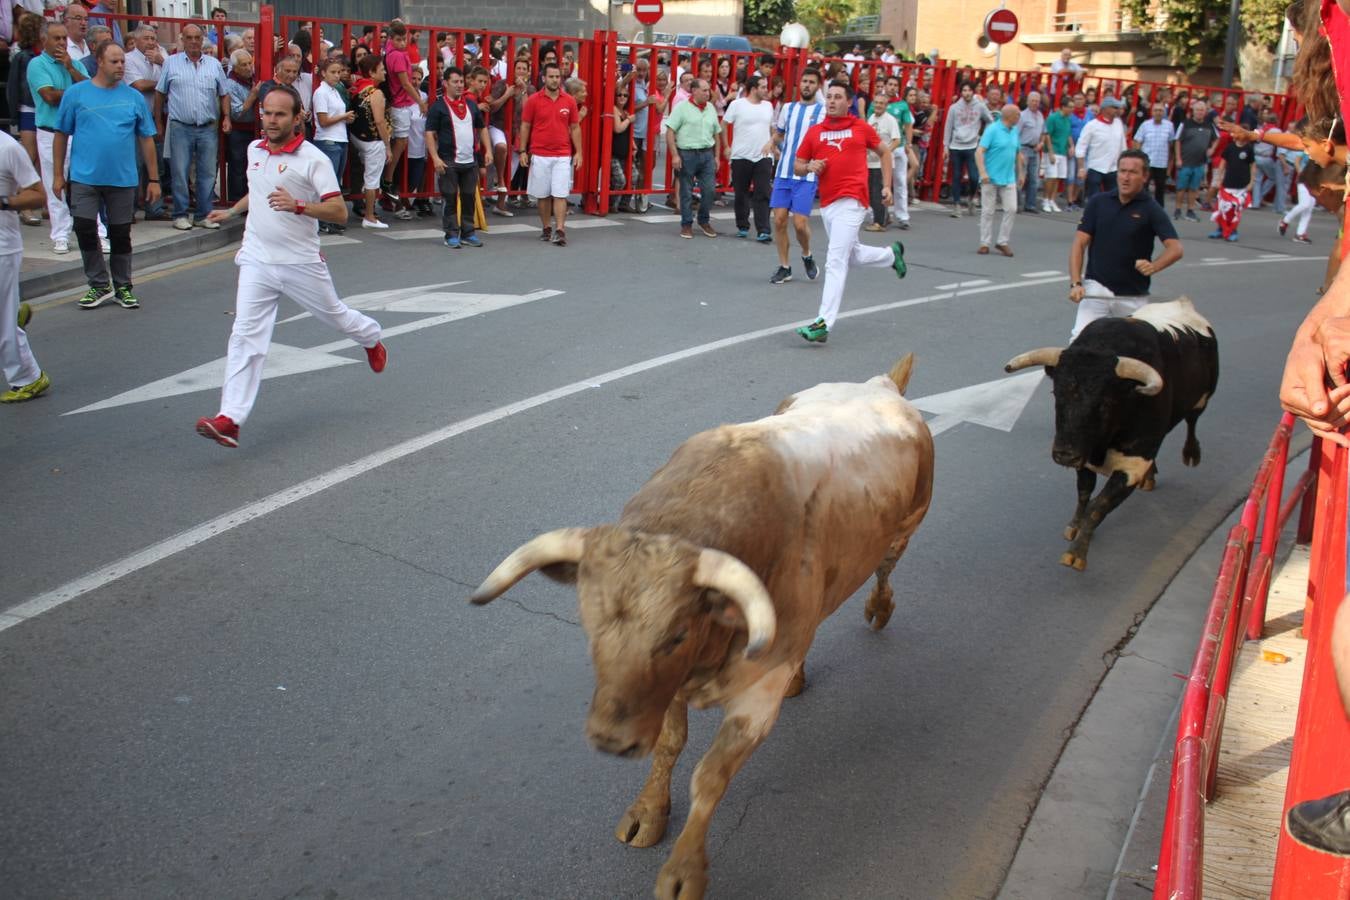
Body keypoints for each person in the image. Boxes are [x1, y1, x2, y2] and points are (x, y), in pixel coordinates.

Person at [195, 87, 385, 450]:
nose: (270, 120)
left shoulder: (313, 159)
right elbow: (260, 187)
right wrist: (233, 211)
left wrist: (299, 205)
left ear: (298, 117)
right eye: (267, 113)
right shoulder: (254, 150)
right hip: (257, 258)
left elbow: (339, 212)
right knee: (245, 335)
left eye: (280, 114)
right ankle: (230, 418)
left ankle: (370, 337)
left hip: (300, 262)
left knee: (336, 317)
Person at [792, 80, 906, 345]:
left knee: (835, 260)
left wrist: (887, 186)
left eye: (837, 97)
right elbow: (797, 165)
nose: (831, 101)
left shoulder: (860, 127)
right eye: (829, 97)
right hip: (830, 203)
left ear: (848, 102)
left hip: (854, 199)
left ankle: (823, 323)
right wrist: (810, 166)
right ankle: (891, 256)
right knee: (850, 254)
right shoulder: (815, 132)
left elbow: (885, 153)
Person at [52, 40, 158, 311]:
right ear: (98, 61)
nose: (121, 66)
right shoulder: (76, 94)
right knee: (85, 229)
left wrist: (154, 180)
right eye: (115, 61)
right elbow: (61, 135)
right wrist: (57, 175)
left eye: (122, 61)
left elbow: (146, 139)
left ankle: (123, 286)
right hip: (84, 178)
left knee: (120, 234)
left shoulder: (133, 97)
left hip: (122, 179)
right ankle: (99, 285)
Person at [1067, 149, 1183, 340]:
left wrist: (1154, 266)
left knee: (1137, 353)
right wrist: (1076, 283)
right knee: (1079, 341)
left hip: (1133, 295)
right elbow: (1079, 243)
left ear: (1144, 176)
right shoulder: (1098, 202)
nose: (1125, 177)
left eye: (1132, 172)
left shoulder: (1151, 208)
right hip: (1097, 287)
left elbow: (1176, 248)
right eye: (1122, 171)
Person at [154, 23, 230, 231]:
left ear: (203, 39)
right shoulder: (171, 63)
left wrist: (227, 118)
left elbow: (224, 93)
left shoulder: (213, 64)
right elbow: (160, 94)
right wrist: (159, 122)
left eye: (198, 37)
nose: (194, 41)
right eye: (190, 38)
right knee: (180, 171)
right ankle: (180, 214)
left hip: (207, 127)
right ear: (182, 39)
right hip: (181, 126)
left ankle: (203, 215)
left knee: (207, 173)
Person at [28, 19, 85, 254]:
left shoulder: (73, 63)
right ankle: (60, 234)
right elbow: (49, 96)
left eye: (64, 38)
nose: (62, 42)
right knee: (56, 184)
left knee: (85, 183)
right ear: (44, 40)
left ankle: (95, 232)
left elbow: (91, 88)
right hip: (50, 133)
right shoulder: (36, 64)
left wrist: (71, 68)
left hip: (78, 131)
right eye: (57, 38)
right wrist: (76, 93)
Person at [0, 130, 48, 403]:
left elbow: (37, 196)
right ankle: (12, 312)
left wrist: (4, 202)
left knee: (3, 327)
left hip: (3, 248)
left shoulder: (7, 148)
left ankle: (29, 377)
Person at [768, 66, 825, 285]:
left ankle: (807, 253)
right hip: (784, 172)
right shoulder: (788, 108)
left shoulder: (822, 111)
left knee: (800, 223)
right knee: (780, 220)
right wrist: (771, 142)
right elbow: (780, 133)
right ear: (799, 85)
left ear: (817, 86)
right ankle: (785, 267)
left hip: (807, 174)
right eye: (804, 82)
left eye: (811, 82)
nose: (807, 85)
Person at [426, 65, 490, 249]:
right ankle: (451, 234)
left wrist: (489, 151)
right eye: (455, 82)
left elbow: (482, 128)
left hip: (470, 161)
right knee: (450, 198)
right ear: (445, 83)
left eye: (462, 81)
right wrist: (436, 158)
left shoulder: (471, 105)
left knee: (469, 197)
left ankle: (468, 233)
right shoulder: (438, 107)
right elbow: (429, 133)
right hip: (448, 161)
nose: (459, 85)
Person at [519, 61, 581, 247]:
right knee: (543, 195)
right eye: (551, 77)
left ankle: (560, 230)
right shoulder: (533, 100)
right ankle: (547, 227)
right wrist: (523, 150)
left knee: (560, 193)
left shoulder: (569, 101)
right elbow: (525, 126)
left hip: (562, 154)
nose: (555, 80)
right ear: (544, 78)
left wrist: (579, 152)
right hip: (539, 154)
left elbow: (575, 127)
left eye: (557, 77)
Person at [663, 77, 723, 240]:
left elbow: (716, 133)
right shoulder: (682, 108)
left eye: (708, 90)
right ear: (694, 91)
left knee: (710, 190)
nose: (708, 93)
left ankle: (703, 220)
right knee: (686, 191)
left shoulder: (710, 108)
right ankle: (687, 224)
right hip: (687, 153)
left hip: (706, 153)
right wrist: (675, 155)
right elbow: (670, 131)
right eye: (704, 90)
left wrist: (717, 156)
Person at [723, 73, 775, 241]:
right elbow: (723, 124)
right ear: (753, 89)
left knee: (763, 192)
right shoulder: (737, 105)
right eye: (763, 87)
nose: (767, 90)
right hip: (740, 155)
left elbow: (772, 128)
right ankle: (743, 225)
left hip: (764, 156)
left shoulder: (768, 106)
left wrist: (773, 144)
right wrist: (726, 146)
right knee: (741, 193)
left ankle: (764, 229)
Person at [382, 21, 424, 208]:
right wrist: (420, 101)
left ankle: (389, 178)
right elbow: (406, 84)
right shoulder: (397, 56)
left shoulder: (393, 53)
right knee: (400, 141)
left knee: (400, 141)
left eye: (403, 39)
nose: (402, 43)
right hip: (400, 103)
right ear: (392, 39)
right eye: (398, 40)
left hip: (399, 102)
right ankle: (388, 179)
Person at [348, 53, 391, 230]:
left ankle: (367, 212)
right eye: (382, 70)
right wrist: (387, 145)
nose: (385, 73)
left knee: (368, 176)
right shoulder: (376, 92)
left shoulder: (358, 88)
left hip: (357, 137)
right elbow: (380, 121)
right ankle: (370, 216)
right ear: (372, 72)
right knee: (372, 179)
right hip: (373, 141)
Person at [975, 104, 1024, 257]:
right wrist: (982, 172)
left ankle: (1002, 241)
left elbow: (1017, 153)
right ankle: (984, 242)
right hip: (990, 176)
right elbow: (979, 151)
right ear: (1009, 116)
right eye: (1017, 114)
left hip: (1009, 176)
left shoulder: (1014, 131)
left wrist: (1021, 173)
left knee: (1011, 209)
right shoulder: (992, 130)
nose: (1019, 117)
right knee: (988, 211)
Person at [311, 57, 352, 235]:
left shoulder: (335, 91)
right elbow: (323, 120)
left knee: (335, 183)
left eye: (339, 72)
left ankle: (330, 219)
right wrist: (344, 117)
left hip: (340, 139)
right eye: (333, 72)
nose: (337, 76)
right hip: (328, 140)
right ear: (323, 73)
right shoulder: (321, 93)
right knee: (327, 182)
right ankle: (321, 220)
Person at [943, 81, 993, 217]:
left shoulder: (980, 106)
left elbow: (990, 120)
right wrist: (945, 146)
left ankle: (971, 198)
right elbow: (948, 127)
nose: (967, 93)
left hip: (972, 145)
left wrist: (984, 138)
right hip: (956, 146)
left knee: (974, 176)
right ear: (961, 92)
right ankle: (957, 205)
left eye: (969, 90)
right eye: (964, 90)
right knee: (957, 175)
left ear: (973, 91)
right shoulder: (954, 108)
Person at [223, 49, 259, 204]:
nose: (249, 67)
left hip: (254, 128)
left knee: (252, 166)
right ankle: (236, 199)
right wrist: (253, 95)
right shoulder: (231, 83)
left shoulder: (253, 79)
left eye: (250, 63)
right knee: (238, 165)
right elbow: (237, 113)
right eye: (244, 65)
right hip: (239, 129)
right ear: (235, 68)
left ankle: (248, 198)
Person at [1075, 96, 1127, 200]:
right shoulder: (1092, 125)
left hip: (1113, 168)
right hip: (1095, 167)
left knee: (1113, 198)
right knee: (1094, 199)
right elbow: (1081, 146)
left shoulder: (1118, 123)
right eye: (1115, 108)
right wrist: (1081, 168)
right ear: (1106, 109)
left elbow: (1123, 146)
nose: (1118, 110)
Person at [1208, 130, 1255, 241]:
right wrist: (1219, 179)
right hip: (1228, 182)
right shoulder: (1230, 147)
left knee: (1235, 209)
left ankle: (1233, 230)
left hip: (1242, 184)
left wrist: (1252, 182)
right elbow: (1223, 163)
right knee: (1222, 207)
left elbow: (1253, 166)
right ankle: (1220, 229)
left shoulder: (1249, 149)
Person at [1173, 99, 1214, 222]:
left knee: (1194, 188)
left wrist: (1212, 149)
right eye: (1197, 110)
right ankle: (1178, 209)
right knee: (1181, 188)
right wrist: (1178, 158)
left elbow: (1218, 138)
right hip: (1185, 161)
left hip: (1200, 162)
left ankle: (1190, 211)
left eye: (1202, 110)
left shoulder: (1209, 125)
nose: (1200, 112)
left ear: (1205, 111)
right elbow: (1177, 141)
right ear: (1193, 111)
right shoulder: (1185, 124)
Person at [864, 97, 900, 232]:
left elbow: (897, 140)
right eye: (876, 103)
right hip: (870, 161)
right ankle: (885, 216)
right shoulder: (871, 118)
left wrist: (885, 153)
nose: (878, 105)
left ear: (886, 106)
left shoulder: (890, 120)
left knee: (878, 194)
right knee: (870, 193)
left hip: (882, 163)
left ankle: (879, 223)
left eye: (881, 103)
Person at [883, 75, 914, 228]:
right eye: (890, 84)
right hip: (882, 148)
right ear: (885, 85)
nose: (892, 87)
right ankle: (881, 213)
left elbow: (908, 125)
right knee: (881, 182)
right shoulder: (878, 102)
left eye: (895, 85)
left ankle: (902, 216)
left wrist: (908, 143)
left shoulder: (902, 105)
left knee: (900, 181)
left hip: (899, 146)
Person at [1132, 101, 1175, 207]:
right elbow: (1137, 141)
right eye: (1156, 110)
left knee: (1160, 189)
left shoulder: (1169, 126)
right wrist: (1138, 157)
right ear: (1152, 112)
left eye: (1160, 111)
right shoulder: (1145, 125)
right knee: (1143, 188)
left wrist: (1170, 164)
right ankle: (1142, 208)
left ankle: (1159, 211)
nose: (1158, 113)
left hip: (1161, 163)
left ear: (1164, 112)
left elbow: (1171, 144)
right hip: (1147, 162)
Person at [1041, 96, 1073, 212]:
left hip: (1062, 151)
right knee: (1051, 176)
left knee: (1058, 177)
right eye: (1069, 107)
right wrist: (1050, 152)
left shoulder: (1067, 119)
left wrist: (1071, 146)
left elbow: (1068, 134)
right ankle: (1045, 199)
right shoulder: (1053, 118)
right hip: (1053, 151)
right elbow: (1047, 134)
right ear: (1063, 107)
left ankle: (1052, 200)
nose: (1071, 109)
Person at [1279, 151, 1318, 244]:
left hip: (1315, 182)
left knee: (1309, 208)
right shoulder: (1306, 149)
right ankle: (1285, 221)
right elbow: (1297, 161)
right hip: (1303, 180)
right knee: (1304, 204)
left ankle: (1300, 234)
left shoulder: (1323, 151)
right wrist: (1301, 172)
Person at [1017, 90, 1046, 214]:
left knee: (1034, 178)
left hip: (1035, 149)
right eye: (1033, 101)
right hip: (1024, 148)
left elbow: (1044, 133)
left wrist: (1041, 143)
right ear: (1028, 102)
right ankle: (1017, 204)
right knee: (1020, 177)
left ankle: (1031, 204)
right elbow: (1016, 134)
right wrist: (1018, 152)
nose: (1035, 103)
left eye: (1037, 101)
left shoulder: (1040, 115)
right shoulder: (1022, 116)